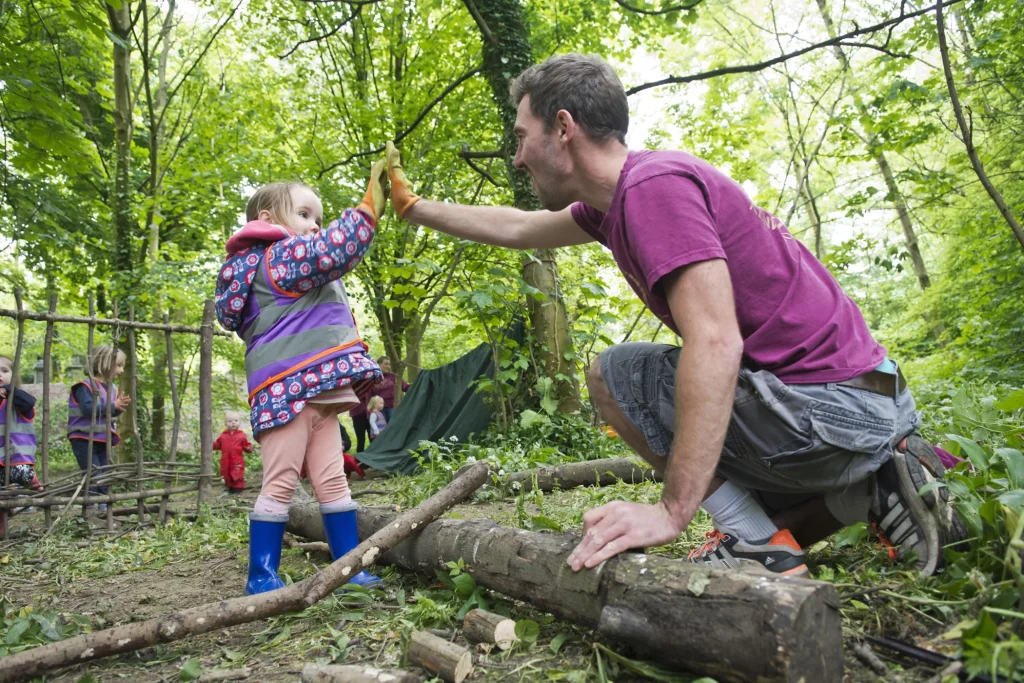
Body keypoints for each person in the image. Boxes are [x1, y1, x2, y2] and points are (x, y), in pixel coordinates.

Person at [383, 53, 966, 578]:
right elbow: (519, 227)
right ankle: (870, 489)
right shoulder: (621, 199)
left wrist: (672, 510)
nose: (516, 157)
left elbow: (715, 342)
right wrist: (413, 207)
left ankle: (754, 540)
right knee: (766, 504)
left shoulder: (652, 190)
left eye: (521, 136)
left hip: (837, 410)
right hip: (870, 398)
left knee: (612, 374)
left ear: (563, 127)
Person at [214, 164, 387, 595]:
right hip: (287, 394)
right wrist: (368, 207)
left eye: (319, 219)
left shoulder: (292, 264)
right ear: (268, 220)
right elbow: (336, 249)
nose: (315, 225)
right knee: (281, 481)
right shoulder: (278, 258)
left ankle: (348, 568)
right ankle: (261, 575)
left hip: (320, 392)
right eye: (305, 214)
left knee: (333, 479)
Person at [67, 345, 131, 500]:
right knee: (93, 473)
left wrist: (119, 407)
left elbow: (109, 413)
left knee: (105, 473)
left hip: (103, 438)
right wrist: (113, 406)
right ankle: (91, 505)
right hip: (83, 438)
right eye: (119, 365)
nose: (122, 370)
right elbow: (89, 409)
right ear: (104, 363)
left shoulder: (113, 388)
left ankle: (103, 503)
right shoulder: (85, 386)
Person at [0, 354, 42, 491]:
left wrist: (9, 389)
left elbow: (29, 402)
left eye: (4, 371)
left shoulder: (18, 400)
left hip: (17, 458)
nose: (0, 374)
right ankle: (10, 500)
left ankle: (32, 481)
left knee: (21, 474)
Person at [214, 411, 252, 494]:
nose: (233, 423)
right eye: (230, 421)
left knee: (237, 473)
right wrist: (211, 444)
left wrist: (249, 448)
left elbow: (246, 446)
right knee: (226, 472)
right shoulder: (223, 435)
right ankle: (229, 487)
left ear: (239, 422)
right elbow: (217, 445)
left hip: (237, 459)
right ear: (226, 424)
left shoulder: (241, 435)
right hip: (225, 459)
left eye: (236, 420)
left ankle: (238, 488)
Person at [371, 356, 409, 423]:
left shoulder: (393, 377)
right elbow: (369, 396)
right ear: (378, 365)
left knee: (393, 427)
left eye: (389, 364)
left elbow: (406, 387)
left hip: (392, 408)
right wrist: (370, 412)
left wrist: (418, 385)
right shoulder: (373, 378)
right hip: (378, 410)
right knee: (382, 428)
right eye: (386, 364)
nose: (388, 366)